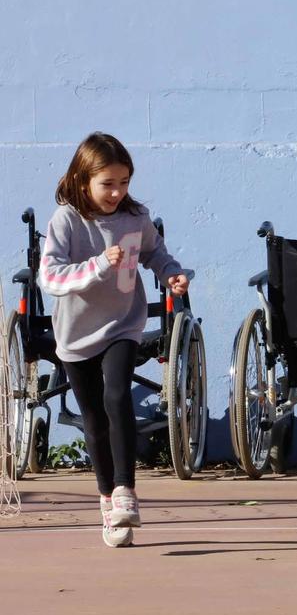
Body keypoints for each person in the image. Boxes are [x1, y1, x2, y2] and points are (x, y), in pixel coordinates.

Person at [36, 133, 191, 548]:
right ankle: (107, 499)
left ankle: (126, 491)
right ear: (82, 178)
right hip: (76, 333)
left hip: (123, 323)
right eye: (108, 183)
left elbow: (155, 252)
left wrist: (170, 273)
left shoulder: (134, 217)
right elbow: (49, 277)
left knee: (117, 394)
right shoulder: (65, 220)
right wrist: (99, 264)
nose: (117, 192)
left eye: (124, 182)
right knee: (93, 422)